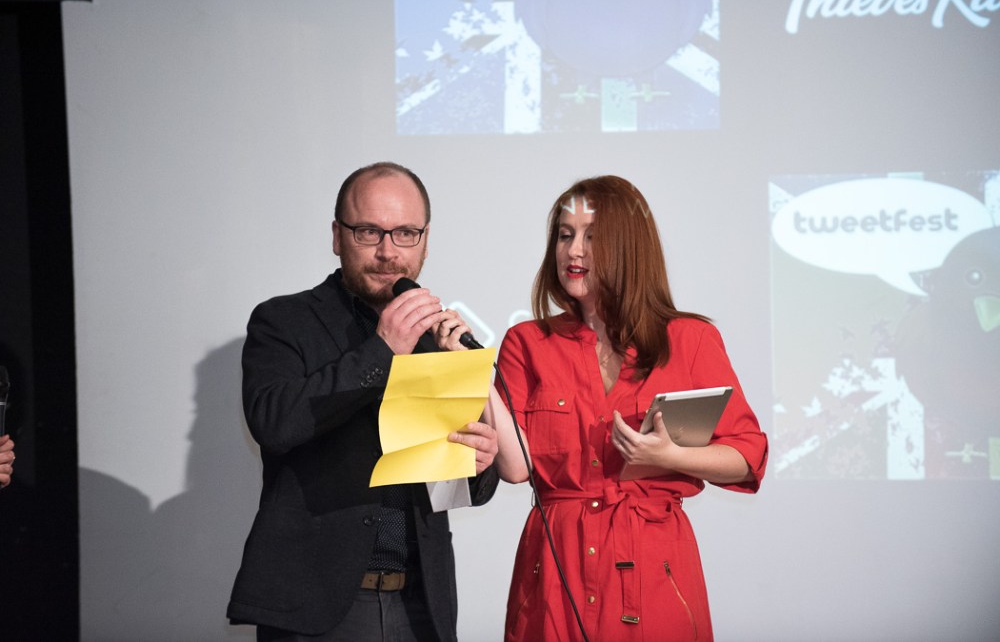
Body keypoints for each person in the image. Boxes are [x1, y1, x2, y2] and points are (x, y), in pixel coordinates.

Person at [483, 175, 768, 641]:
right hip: (555, 573)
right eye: (565, 235)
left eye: (592, 237)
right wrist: (473, 377)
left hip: (655, 572)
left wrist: (669, 456)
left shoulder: (691, 339)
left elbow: (747, 456)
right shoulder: (527, 342)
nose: (573, 251)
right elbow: (517, 469)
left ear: (629, 247)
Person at [227, 161, 500, 642]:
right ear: (338, 236)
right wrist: (382, 349)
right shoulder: (284, 320)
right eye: (369, 232)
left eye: (406, 234)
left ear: (425, 240)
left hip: (422, 603)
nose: (388, 251)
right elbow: (274, 422)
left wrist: (478, 461)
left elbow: (464, 488)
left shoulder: (437, 337)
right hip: (318, 606)